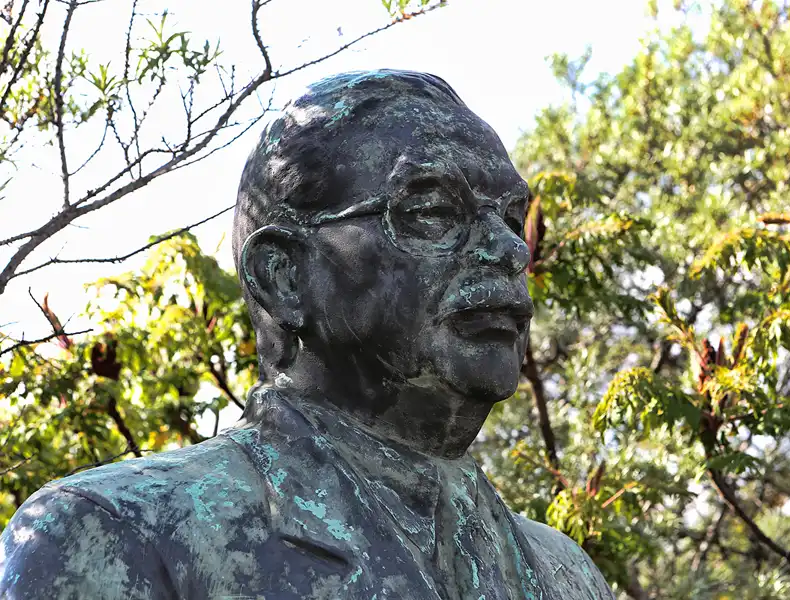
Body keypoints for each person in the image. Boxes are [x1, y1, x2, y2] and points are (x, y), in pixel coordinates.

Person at [0, 70, 614, 599]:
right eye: (433, 212)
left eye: (511, 218)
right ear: (284, 277)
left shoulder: (567, 576)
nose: (509, 249)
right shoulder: (111, 532)